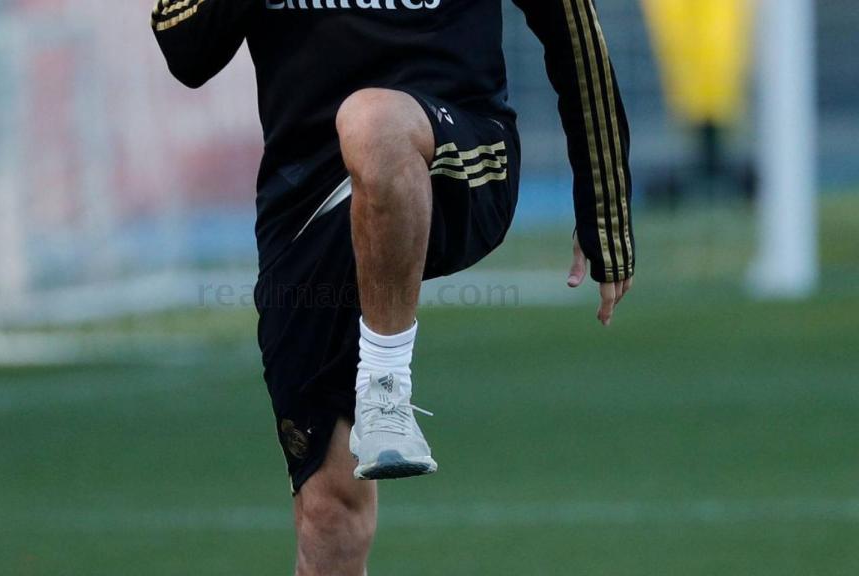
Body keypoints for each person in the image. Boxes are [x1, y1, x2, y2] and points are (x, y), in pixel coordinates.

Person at [153, 1, 635, 573]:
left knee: (373, 120)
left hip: (460, 153)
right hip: (309, 199)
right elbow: (186, 52)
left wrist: (604, 207)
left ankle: (385, 386)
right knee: (328, 511)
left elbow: (574, 31)